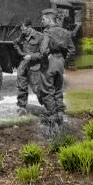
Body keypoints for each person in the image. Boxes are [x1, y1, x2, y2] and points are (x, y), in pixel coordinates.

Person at [29, 8, 76, 137]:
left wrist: (45, 60)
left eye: (43, 19)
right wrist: (63, 61)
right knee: (58, 90)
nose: (41, 21)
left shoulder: (47, 33)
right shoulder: (65, 32)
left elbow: (43, 50)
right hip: (60, 63)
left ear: (49, 19)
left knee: (47, 91)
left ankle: (52, 119)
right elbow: (72, 50)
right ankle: (60, 115)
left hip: (49, 64)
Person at [13, 18, 43, 116]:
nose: (22, 30)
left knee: (37, 88)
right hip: (23, 65)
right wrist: (21, 53)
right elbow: (15, 43)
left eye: (23, 28)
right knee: (21, 86)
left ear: (29, 27)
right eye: (21, 29)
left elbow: (43, 54)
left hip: (34, 66)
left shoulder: (39, 36)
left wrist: (32, 57)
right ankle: (22, 108)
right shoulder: (22, 35)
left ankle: (49, 106)